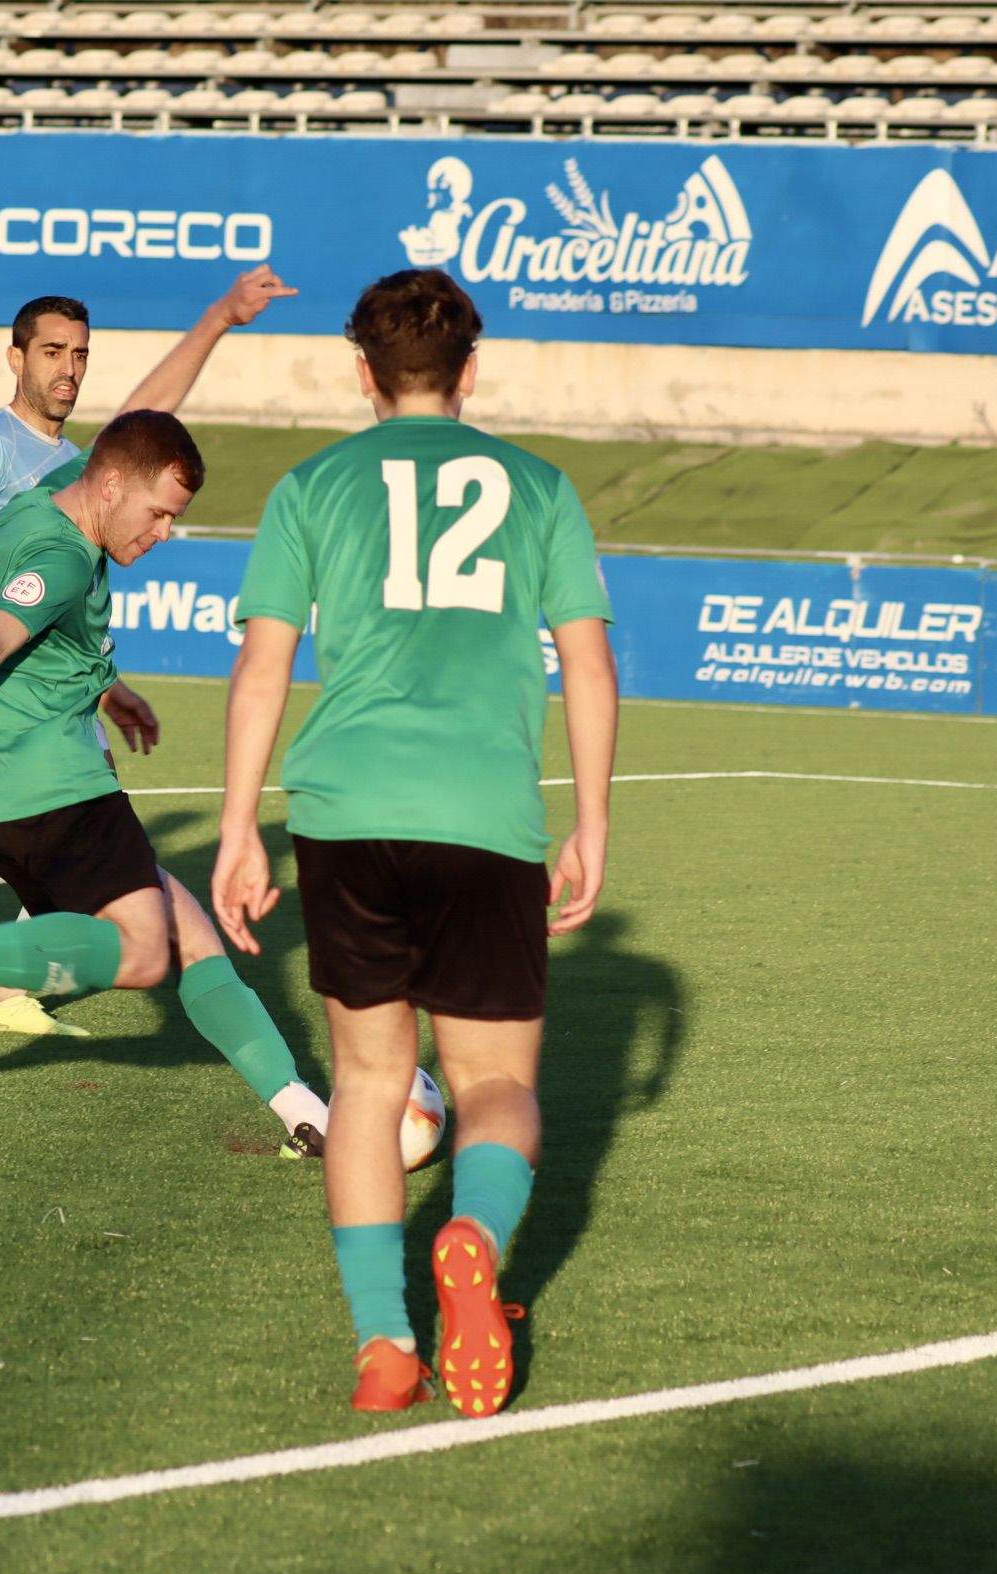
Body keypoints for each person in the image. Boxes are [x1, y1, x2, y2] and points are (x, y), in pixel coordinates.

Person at [209, 269, 617, 1416]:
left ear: (362, 373)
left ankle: (385, 1346)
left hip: (346, 811)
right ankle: (474, 1238)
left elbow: (262, 667)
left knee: (370, 1081)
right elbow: (586, 661)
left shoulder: (310, 486)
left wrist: (241, 827)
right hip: (486, 817)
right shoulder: (538, 486)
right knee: (495, 1083)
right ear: (470, 370)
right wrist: (590, 818)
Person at [0, 412, 333, 1153]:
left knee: (191, 936)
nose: (165, 531)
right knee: (144, 952)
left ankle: (303, 1112)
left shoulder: (38, 500)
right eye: (159, 512)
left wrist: (109, 685)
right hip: (54, 790)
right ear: (108, 486)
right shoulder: (64, 556)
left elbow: (132, 434)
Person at [0, 268, 297, 1040]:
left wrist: (220, 318)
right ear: (16, 358)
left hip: (39, 682)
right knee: (93, 849)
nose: (68, 367)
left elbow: (150, 415)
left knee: (72, 844)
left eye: (80, 353)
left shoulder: (82, 461)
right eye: (52, 351)